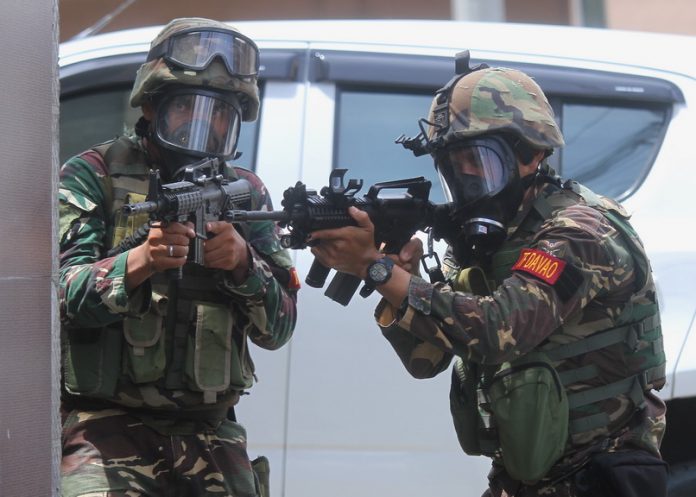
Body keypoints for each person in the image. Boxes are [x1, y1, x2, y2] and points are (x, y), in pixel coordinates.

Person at [309, 57, 668, 497]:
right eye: (452, 165)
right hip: (525, 479)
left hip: (599, 475)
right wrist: (399, 279)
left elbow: (499, 331)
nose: (465, 177)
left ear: (531, 153)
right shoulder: (489, 241)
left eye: (478, 160)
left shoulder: (578, 233)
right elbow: (427, 360)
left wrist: (376, 269)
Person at [58, 17, 299, 497]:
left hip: (209, 429)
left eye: (220, 115)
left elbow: (281, 328)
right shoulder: (96, 175)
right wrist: (139, 262)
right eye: (186, 108)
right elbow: (63, 298)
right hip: (106, 423)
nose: (203, 126)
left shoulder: (246, 193)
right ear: (151, 106)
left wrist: (242, 265)